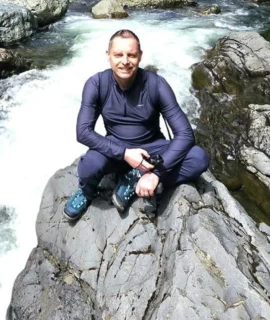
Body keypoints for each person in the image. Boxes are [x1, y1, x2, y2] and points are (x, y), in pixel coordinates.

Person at [64, 29, 210, 221]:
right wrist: (125, 153)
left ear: (140, 56)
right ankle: (86, 191)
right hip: (116, 149)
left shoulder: (156, 85)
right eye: (118, 55)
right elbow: (82, 132)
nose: (125, 61)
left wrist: (156, 173)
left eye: (131, 55)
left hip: (152, 151)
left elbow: (184, 134)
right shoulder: (96, 84)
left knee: (199, 158)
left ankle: (136, 178)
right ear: (108, 56)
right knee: (88, 166)